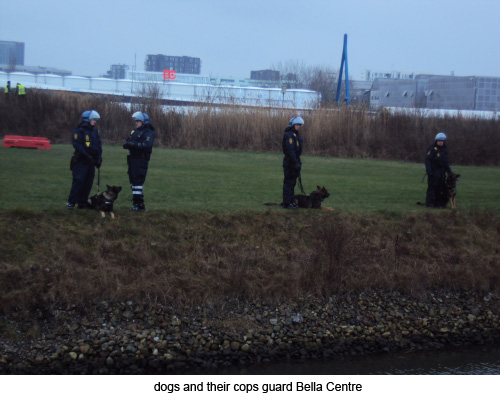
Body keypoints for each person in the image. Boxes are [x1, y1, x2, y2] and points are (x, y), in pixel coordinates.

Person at [67, 110, 102, 209]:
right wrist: (87, 156)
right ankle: (71, 202)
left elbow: (99, 145)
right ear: (88, 119)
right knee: (78, 181)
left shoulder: (95, 131)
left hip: (91, 162)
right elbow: (77, 145)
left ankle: (82, 202)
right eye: (94, 119)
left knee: (88, 182)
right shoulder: (78, 131)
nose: (95, 121)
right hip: (81, 161)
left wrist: (99, 158)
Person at [123, 111, 154, 211]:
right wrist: (126, 144)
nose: (136, 123)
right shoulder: (135, 131)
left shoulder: (148, 132)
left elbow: (146, 145)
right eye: (136, 121)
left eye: (138, 121)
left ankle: (138, 203)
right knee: (133, 181)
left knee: (137, 181)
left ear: (144, 122)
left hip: (141, 159)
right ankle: (138, 203)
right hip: (133, 159)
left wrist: (133, 145)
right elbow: (128, 141)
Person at [425, 132, 453, 208]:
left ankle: (438, 203)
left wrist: (450, 172)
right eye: (439, 141)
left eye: (442, 141)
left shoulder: (444, 150)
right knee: (432, 187)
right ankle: (429, 203)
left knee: (440, 188)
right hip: (433, 171)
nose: (440, 142)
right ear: (436, 141)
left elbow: (446, 162)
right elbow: (427, 160)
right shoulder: (432, 149)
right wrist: (429, 171)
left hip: (442, 172)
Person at [282, 116, 304, 209]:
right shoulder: (289, 135)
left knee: (293, 183)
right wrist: (295, 161)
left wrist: (297, 161)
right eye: (297, 124)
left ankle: (291, 201)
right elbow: (290, 150)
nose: (299, 126)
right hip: (290, 162)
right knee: (288, 183)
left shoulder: (296, 135)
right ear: (293, 125)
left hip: (295, 161)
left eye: (299, 125)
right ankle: (287, 203)